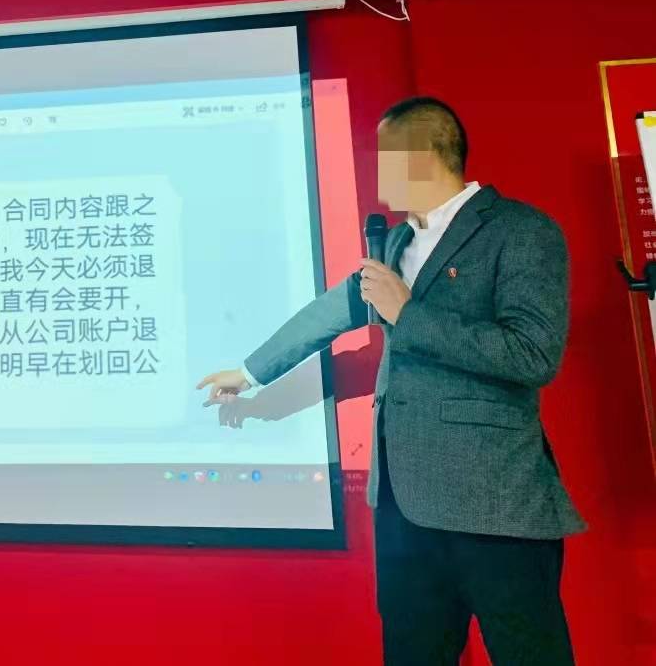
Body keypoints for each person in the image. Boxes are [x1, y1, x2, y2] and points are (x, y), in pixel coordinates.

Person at [196, 97, 582, 665]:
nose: (374, 168)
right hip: (403, 505)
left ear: (423, 155)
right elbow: (328, 313)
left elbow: (532, 355)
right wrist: (249, 371)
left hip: (496, 503)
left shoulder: (521, 231)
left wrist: (409, 315)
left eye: (384, 154)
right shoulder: (395, 242)